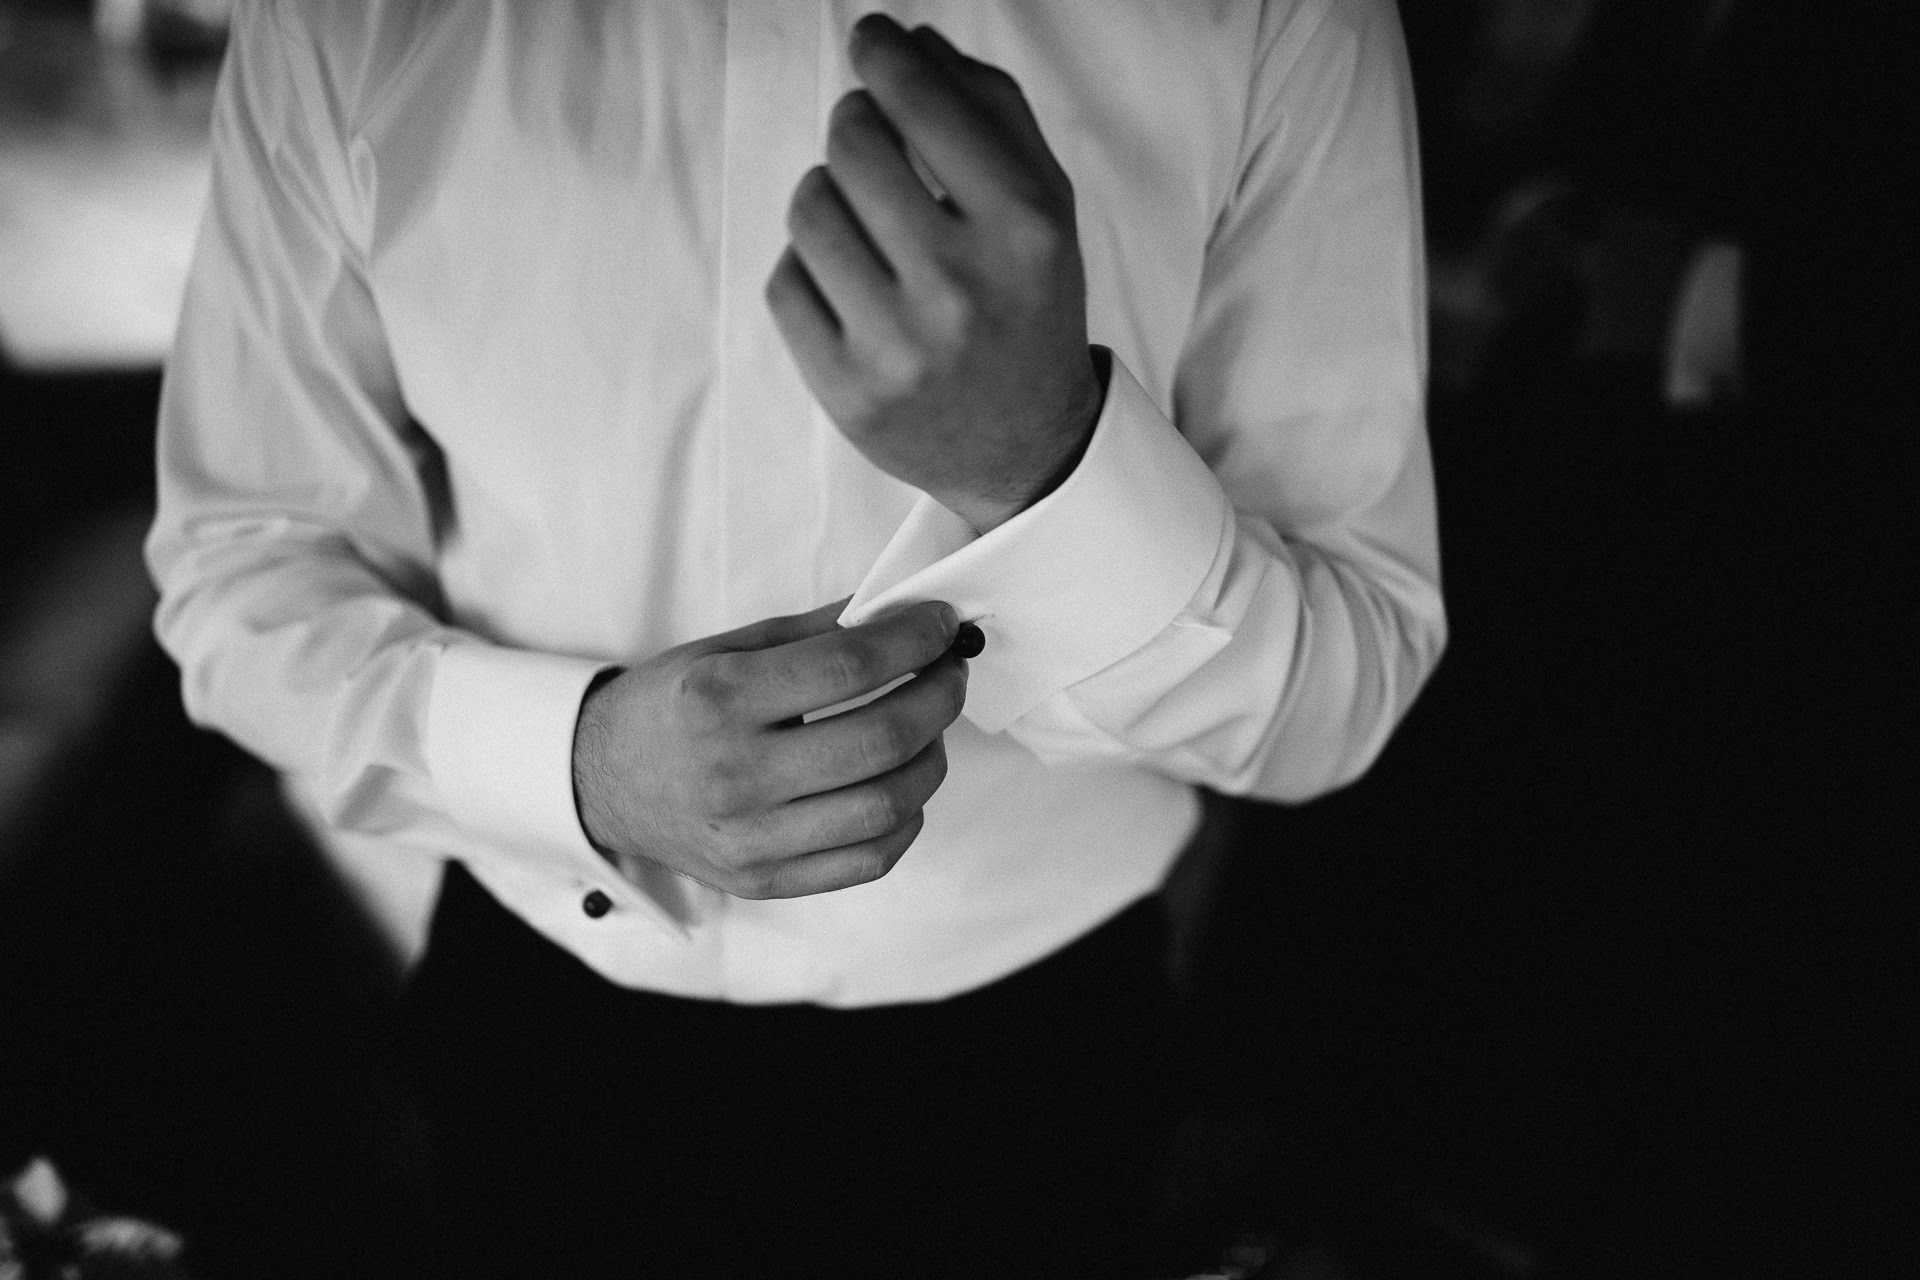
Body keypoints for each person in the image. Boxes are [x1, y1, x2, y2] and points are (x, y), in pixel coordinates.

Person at [145, 2, 1443, 1275]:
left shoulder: (1283, 20)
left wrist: (1039, 459)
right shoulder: (345, 23)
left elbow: (1349, 670)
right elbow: (244, 562)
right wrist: (579, 766)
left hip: (1034, 1064)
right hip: (541, 1024)